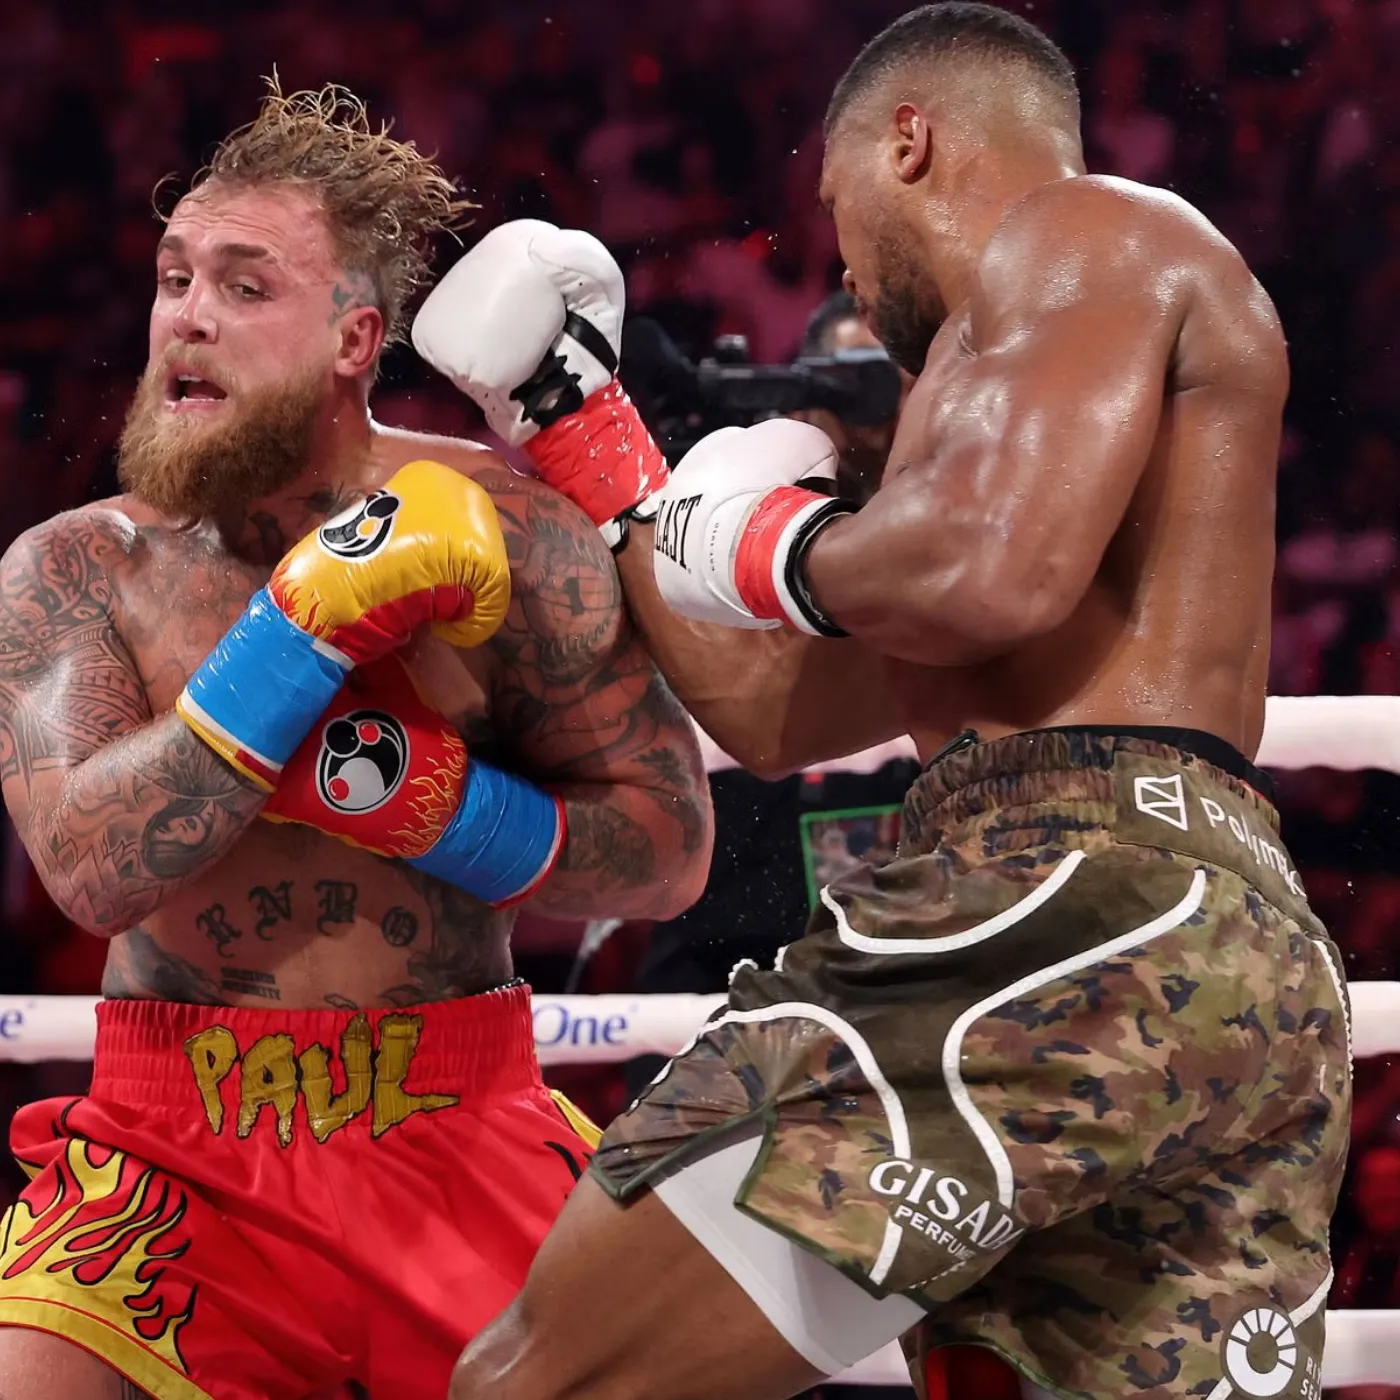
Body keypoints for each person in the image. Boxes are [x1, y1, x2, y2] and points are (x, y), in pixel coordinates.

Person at [414, 5, 1350, 1400]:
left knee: (541, 1377)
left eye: (834, 203)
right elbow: (776, 718)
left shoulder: (1095, 230)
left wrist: (766, 540)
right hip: (1213, 945)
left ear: (909, 141)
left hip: (1062, 895)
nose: (838, 255)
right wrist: (588, 434)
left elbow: (989, 572)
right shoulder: (985, 421)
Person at [0, 82, 711, 1400]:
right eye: (173, 278)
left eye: (244, 285)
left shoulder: (515, 532)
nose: (188, 315)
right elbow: (91, 872)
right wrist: (296, 635)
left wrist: (443, 810)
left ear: (353, 337)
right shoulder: (75, 568)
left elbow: (667, 850)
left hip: (461, 1123)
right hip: (168, 1153)